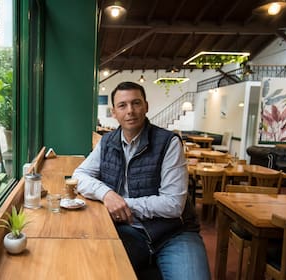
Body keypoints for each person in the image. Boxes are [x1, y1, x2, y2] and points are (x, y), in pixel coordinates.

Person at [72, 81, 210, 279]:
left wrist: (122, 204)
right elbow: (79, 175)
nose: (130, 111)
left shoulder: (168, 142)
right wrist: (107, 194)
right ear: (114, 112)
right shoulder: (107, 142)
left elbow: (173, 205)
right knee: (93, 270)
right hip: (127, 231)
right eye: (122, 105)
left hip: (174, 234)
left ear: (146, 106)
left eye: (136, 103)